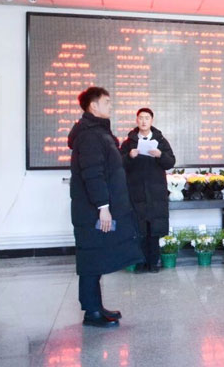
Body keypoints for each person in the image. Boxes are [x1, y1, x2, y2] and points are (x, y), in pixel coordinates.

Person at [68, 87, 144, 328]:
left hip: (95, 207)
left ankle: (95, 307)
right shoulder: (90, 135)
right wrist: (103, 207)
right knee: (91, 258)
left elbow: (110, 167)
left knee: (95, 257)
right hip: (92, 209)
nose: (111, 105)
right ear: (93, 106)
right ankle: (92, 312)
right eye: (107, 102)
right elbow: (93, 174)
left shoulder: (98, 132)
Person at [119, 108, 176, 273]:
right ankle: (140, 263)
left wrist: (160, 155)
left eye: (147, 118)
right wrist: (129, 156)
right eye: (141, 118)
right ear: (136, 120)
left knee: (154, 229)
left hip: (156, 192)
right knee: (139, 229)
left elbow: (170, 162)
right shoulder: (129, 142)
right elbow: (119, 163)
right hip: (136, 191)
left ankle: (153, 263)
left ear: (152, 121)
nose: (143, 121)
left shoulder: (160, 140)